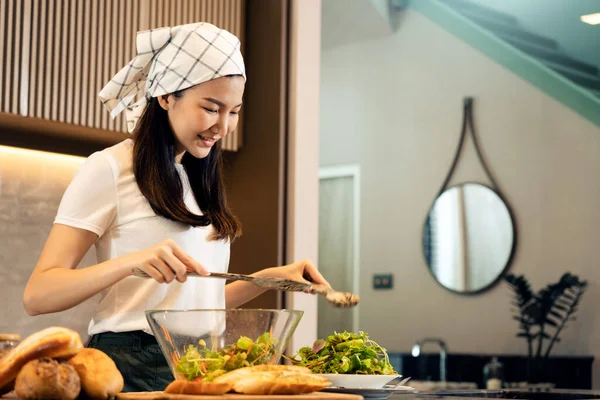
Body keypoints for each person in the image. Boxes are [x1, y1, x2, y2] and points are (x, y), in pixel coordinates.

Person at [22, 22, 329, 392]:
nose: (223, 126)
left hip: (200, 360)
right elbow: (37, 295)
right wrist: (128, 263)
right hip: (133, 362)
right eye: (212, 108)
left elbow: (191, 303)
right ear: (166, 96)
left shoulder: (197, 177)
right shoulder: (109, 168)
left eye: (234, 111)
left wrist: (268, 279)